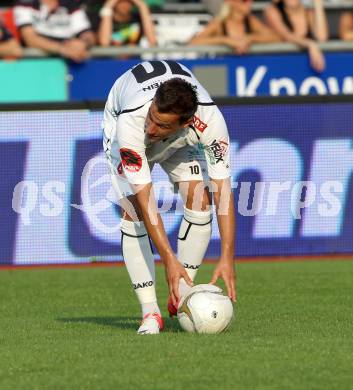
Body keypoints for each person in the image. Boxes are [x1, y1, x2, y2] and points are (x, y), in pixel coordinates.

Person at [102, 60, 236, 335]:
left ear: (186, 122)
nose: (151, 129)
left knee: (200, 199)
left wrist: (227, 256)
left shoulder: (210, 122)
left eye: (161, 124)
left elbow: (223, 191)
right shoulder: (133, 122)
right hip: (121, 124)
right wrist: (168, 258)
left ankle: (182, 292)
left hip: (181, 141)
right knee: (134, 210)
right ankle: (150, 312)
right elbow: (145, 198)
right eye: (152, 116)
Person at [13, 0, 95, 63]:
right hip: (35, 65)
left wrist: (82, 43)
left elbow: (88, 35)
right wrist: (63, 49)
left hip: (73, 66)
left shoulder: (70, 5)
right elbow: (30, 39)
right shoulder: (25, 3)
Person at [188, 0, 280, 55]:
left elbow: (276, 37)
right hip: (224, 70)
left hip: (247, 70)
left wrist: (250, 38)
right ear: (232, 2)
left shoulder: (250, 21)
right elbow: (194, 42)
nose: (250, 2)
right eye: (244, 0)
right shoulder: (220, 23)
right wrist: (226, 41)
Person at [264, 0, 328, 72]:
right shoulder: (273, 11)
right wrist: (310, 44)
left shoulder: (309, 12)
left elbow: (322, 38)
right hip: (283, 67)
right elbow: (286, 35)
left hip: (308, 70)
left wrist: (318, 4)